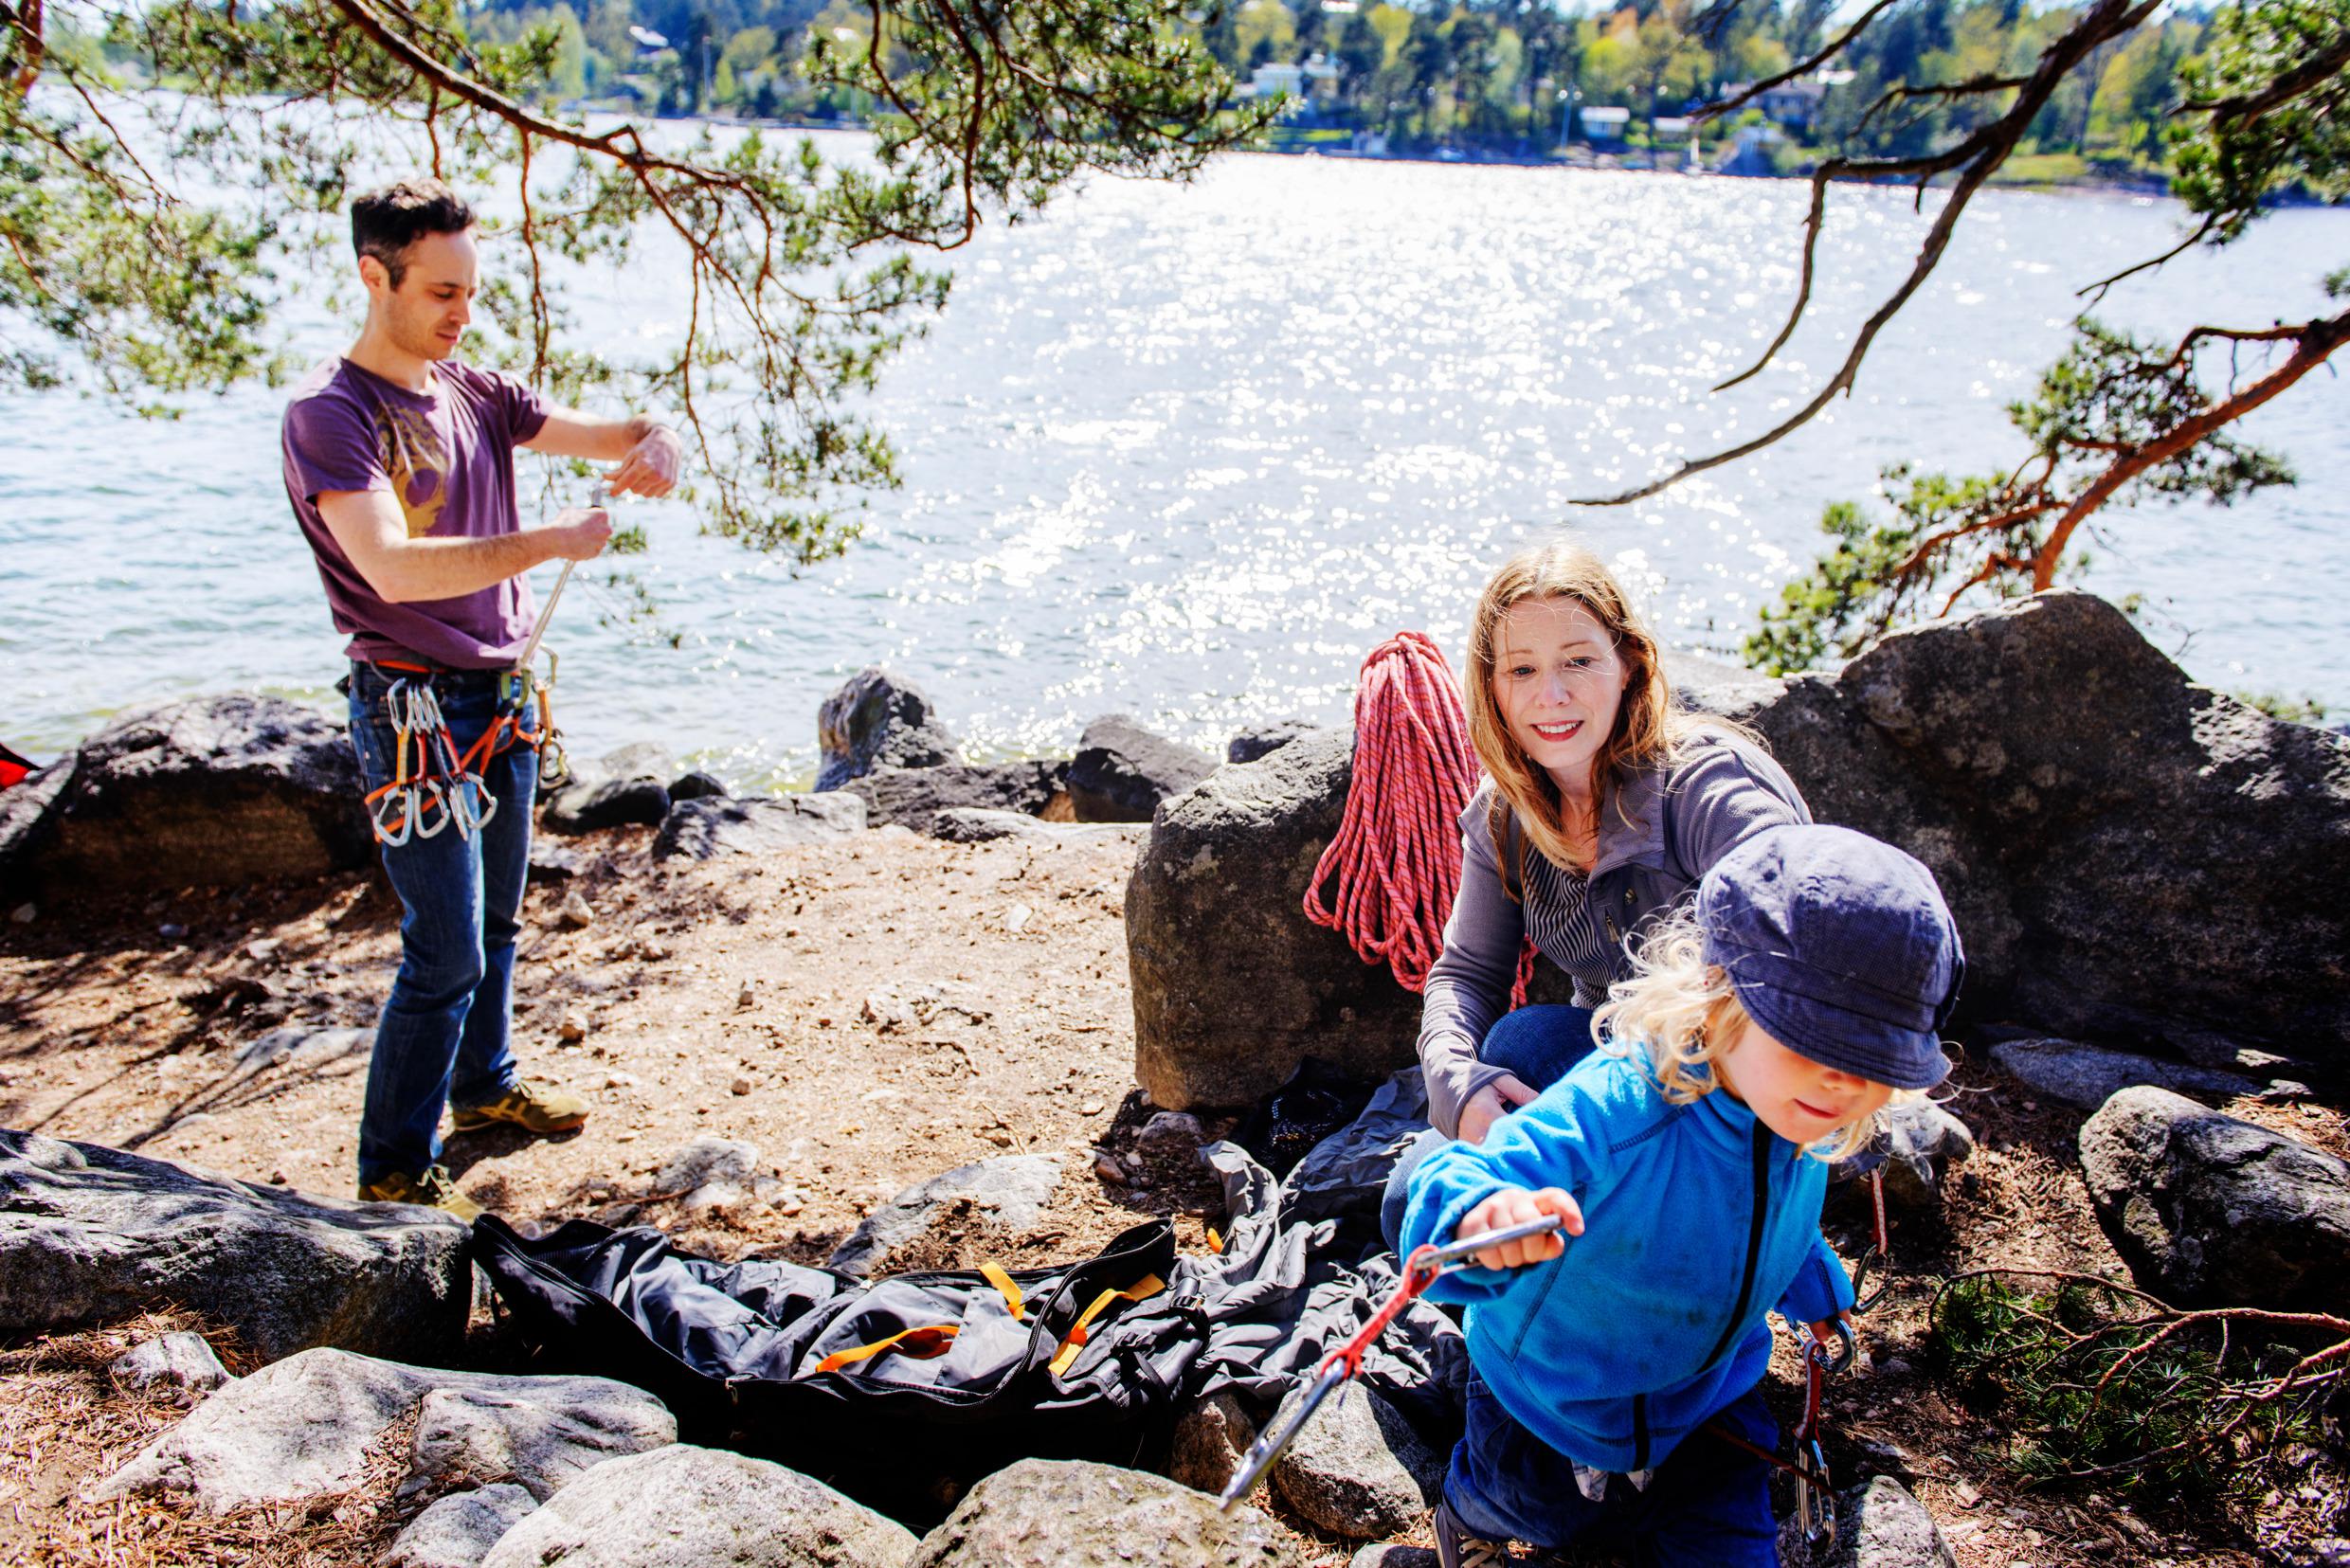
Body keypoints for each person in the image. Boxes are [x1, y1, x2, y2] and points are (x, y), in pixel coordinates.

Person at [1401, 823, 1965, 1566]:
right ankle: (1466, 1512)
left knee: (1730, 1540)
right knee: (1533, 1507)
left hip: (1710, 1394)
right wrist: (1481, 1219)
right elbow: (1470, 1179)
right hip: (1553, 1393)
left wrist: (1816, 1290)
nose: (1845, 1082)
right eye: (1814, 1043)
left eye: (1875, 1062)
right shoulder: (1624, 1103)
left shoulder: (1793, 1106)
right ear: (1719, 993)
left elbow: (1776, 1220)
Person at [282, 178, 684, 1218]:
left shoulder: (478, 391)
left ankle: (485, 1088)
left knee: (498, 923)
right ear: (376, 277)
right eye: (442, 291)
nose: (463, 312)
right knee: (444, 949)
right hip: (410, 711)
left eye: (471, 289)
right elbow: (390, 569)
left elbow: (614, 431)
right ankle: (390, 1165)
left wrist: (657, 442)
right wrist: (552, 540)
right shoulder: (332, 416)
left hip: (501, 699)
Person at [1380, 540, 1812, 1251]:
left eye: (1578, 660)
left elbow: (1791, 952)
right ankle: (1593, 1227)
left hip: (1727, 1094)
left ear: (1628, 664)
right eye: (1522, 669)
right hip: (1608, 1065)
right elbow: (1464, 975)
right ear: (1493, 689)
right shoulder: (1504, 817)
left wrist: (1598, 1123)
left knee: (1476, 1202)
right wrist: (1459, 1087)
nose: (1552, 696)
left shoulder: (1710, 788)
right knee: (1419, 1196)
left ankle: (1648, 1231)